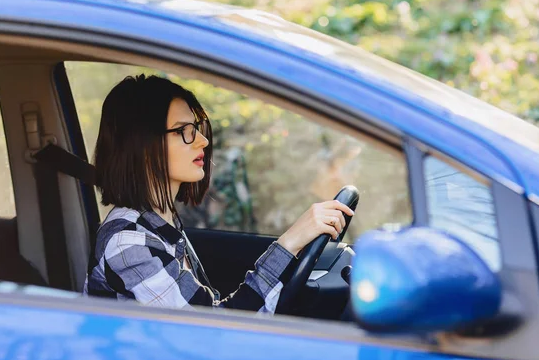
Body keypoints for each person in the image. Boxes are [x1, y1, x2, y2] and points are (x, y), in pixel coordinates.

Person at [83, 75, 354, 313]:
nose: (203, 141)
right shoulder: (128, 243)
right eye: (183, 132)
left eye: (197, 129)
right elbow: (214, 330)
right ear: (141, 146)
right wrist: (290, 242)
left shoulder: (159, 222)